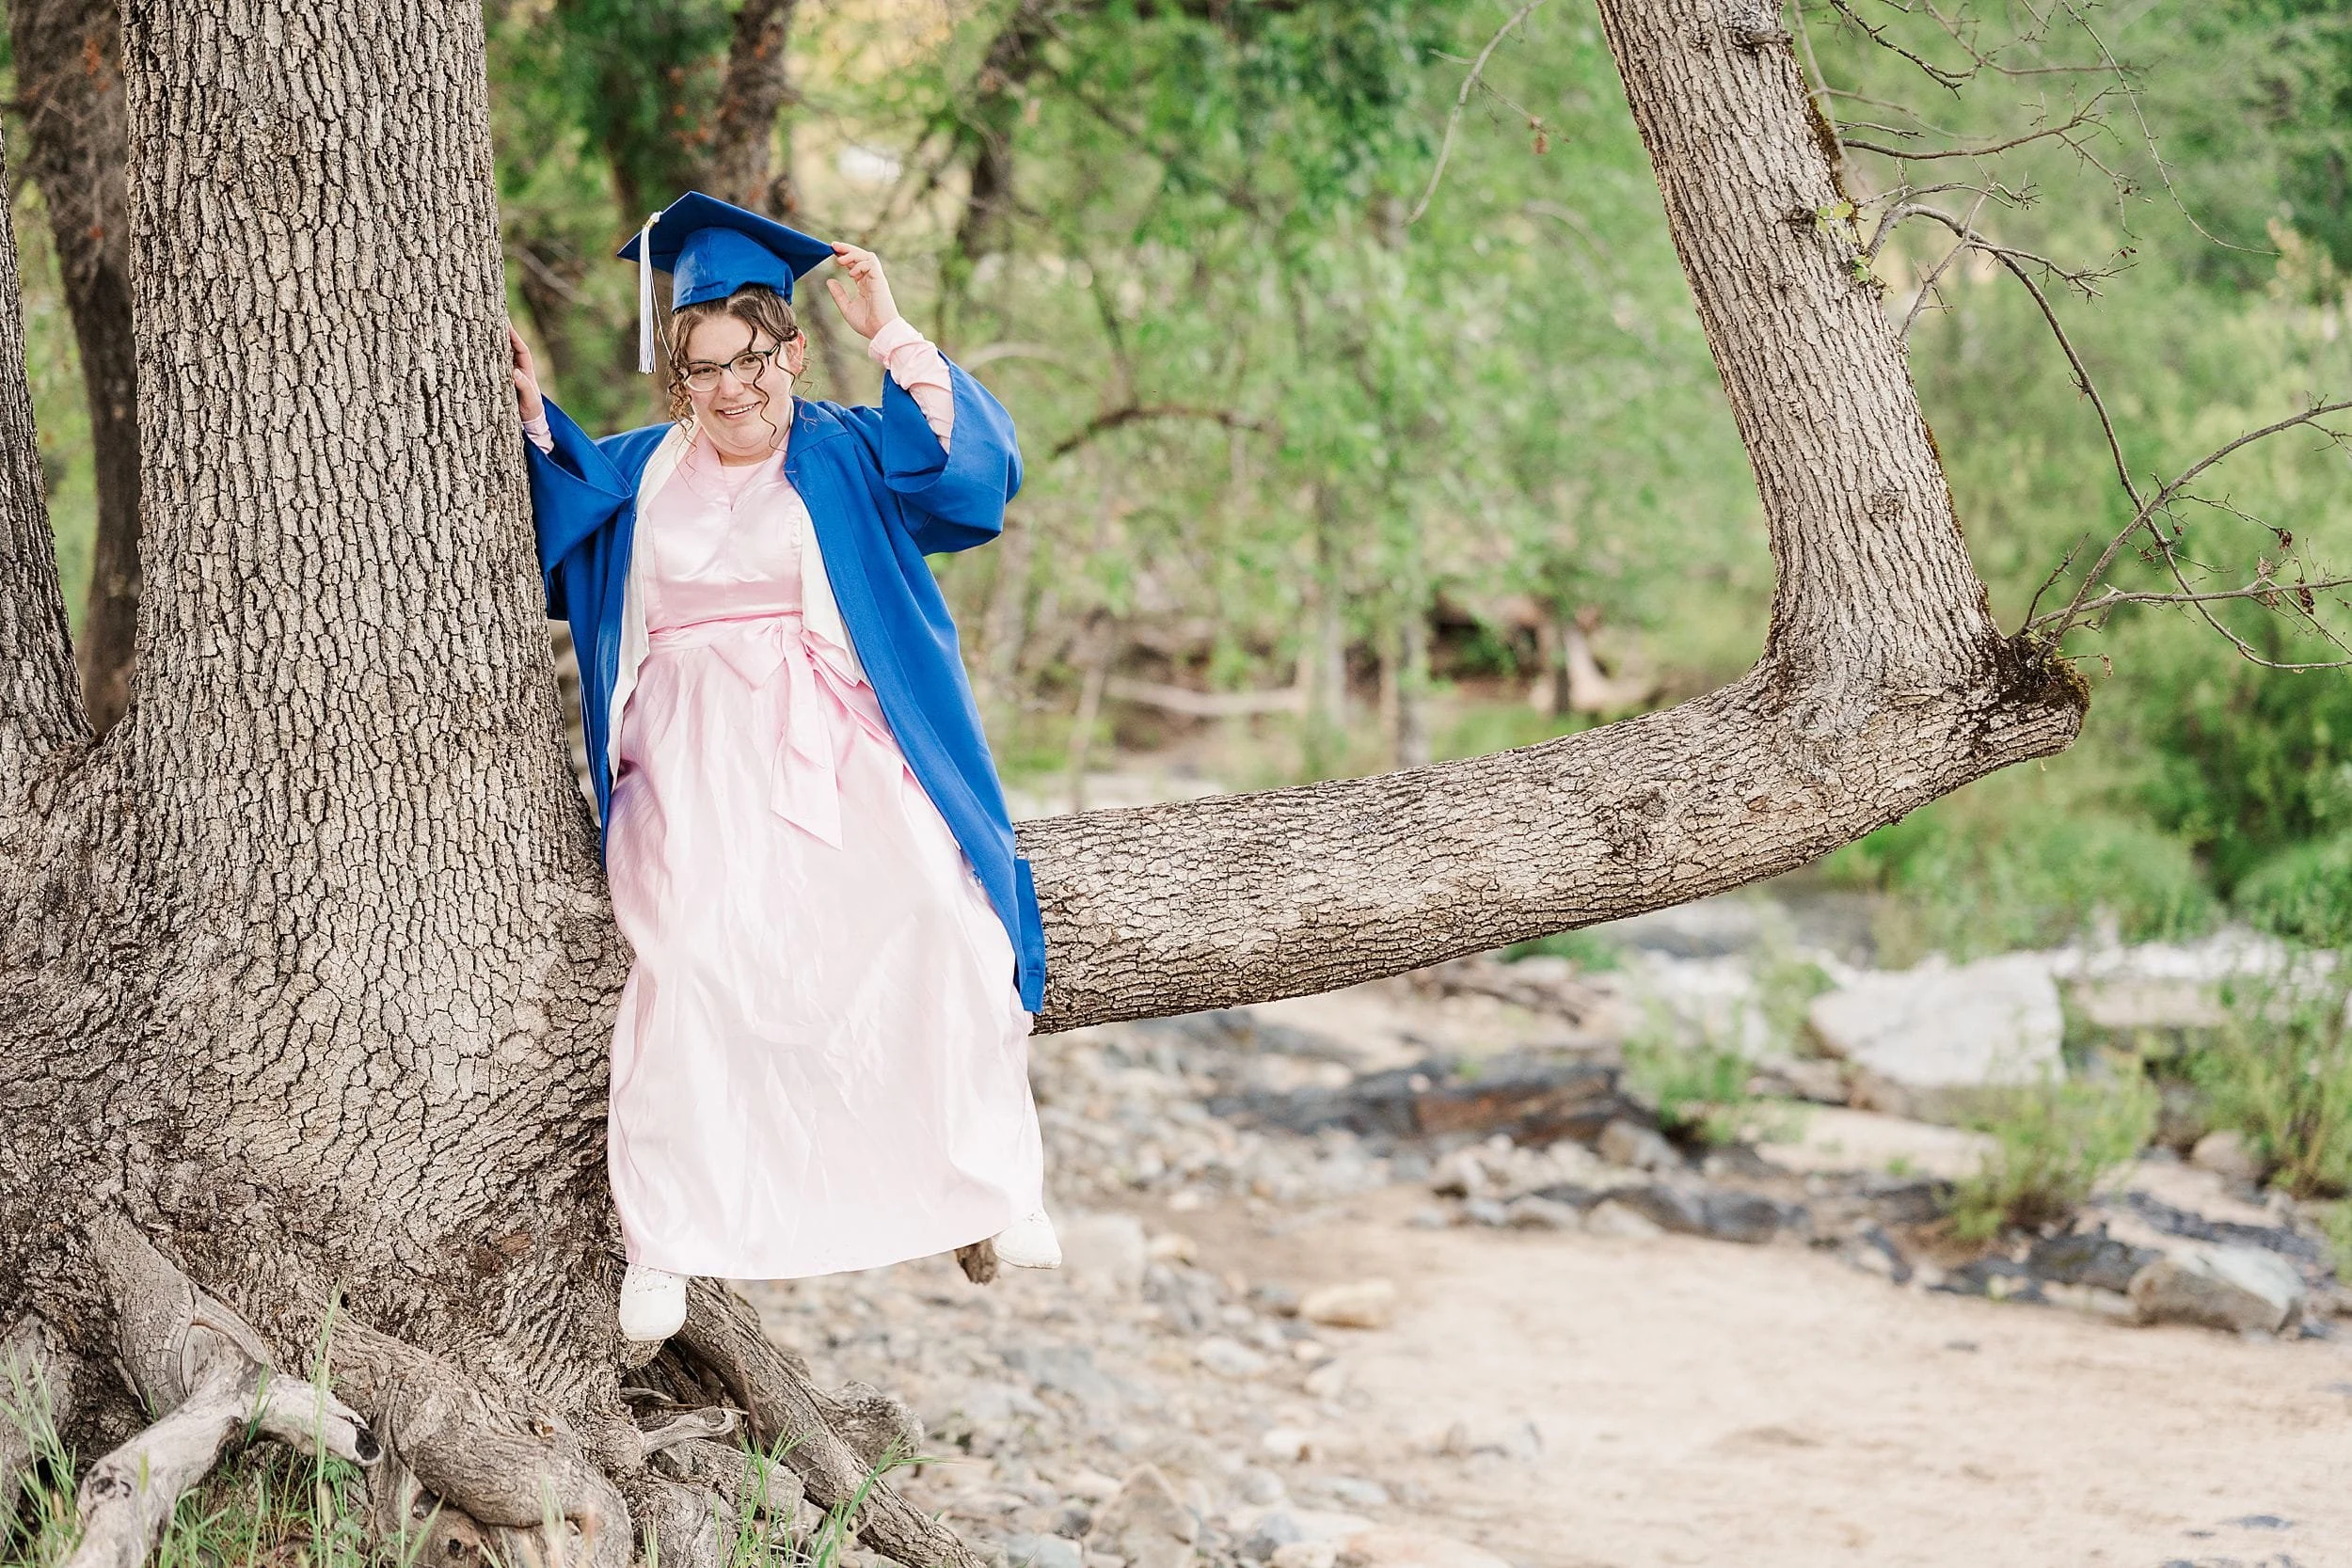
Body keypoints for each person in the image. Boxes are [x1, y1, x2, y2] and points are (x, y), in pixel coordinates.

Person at [509, 191, 1057, 1344]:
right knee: (693, 959)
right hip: (687, 755)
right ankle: (669, 1238)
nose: (731, 389)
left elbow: (972, 479)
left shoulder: (850, 451)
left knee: (933, 911)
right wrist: (521, 415)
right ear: (678, 377)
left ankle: (995, 1184)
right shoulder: (639, 471)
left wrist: (893, 331)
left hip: (838, 742)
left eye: (752, 358)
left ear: (791, 351)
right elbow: (547, 524)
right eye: (702, 368)